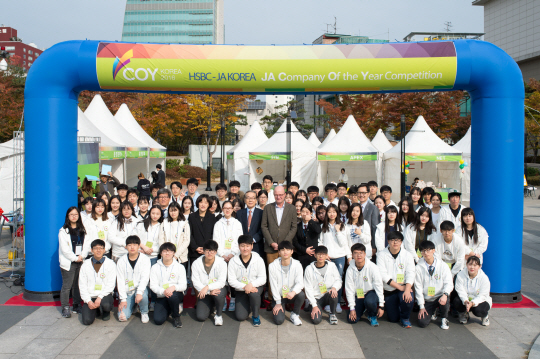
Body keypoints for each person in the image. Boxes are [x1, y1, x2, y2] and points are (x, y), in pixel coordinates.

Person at [261, 185, 298, 301]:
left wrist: (284, 244)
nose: (278, 197)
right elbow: (264, 226)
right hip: (271, 247)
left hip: (286, 248)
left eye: (281, 195)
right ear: (273, 195)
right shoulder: (268, 208)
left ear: (285, 195)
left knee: (286, 275)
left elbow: (293, 227)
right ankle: (273, 300)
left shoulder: (291, 208)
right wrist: (271, 242)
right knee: (273, 275)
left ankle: (286, 300)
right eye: (276, 194)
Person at [377, 231, 415, 328]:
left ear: (401, 242)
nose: (395, 243)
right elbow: (383, 275)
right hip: (389, 289)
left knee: (408, 299)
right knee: (393, 319)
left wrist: (406, 289)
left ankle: (405, 318)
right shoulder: (381, 255)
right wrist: (399, 287)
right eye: (392, 240)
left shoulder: (407, 255)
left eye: (398, 240)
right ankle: (397, 306)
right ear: (388, 241)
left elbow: (410, 273)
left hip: (403, 286)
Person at [59, 207, 92, 318]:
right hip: (69, 261)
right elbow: (64, 249)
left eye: (76, 214)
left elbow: (87, 244)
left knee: (78, 284)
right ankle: (65, 307)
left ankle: (76, 304)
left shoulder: (82, 228)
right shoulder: (63, 231)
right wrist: (75, 258)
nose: (74, 216)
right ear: (68, 216)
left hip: (81, 260)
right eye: (71, 214)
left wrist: (82, 255)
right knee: (67, 285)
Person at [228, 235, 267, 326]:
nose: (245, 249)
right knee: (240, 317)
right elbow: (231, 280)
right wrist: (245, 287)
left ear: (252, 246)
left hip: (255, 287)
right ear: (238, 246)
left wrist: (251, 284)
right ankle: (249, 304)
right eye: (242, 246)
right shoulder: (233, 261)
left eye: (247, 246)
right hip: (241, 290)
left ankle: (255, 315)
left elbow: (263, 278)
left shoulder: (258, 260)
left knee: (254, 294)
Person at [415, 240, 453, 330]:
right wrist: (421, 306)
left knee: (445, 298)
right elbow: (418, 287)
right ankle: (433, 311)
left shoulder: (443, 265)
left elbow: (449, 283)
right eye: (423, 251)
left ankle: (444, 318)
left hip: (440, 296)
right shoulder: (418, 267)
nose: (426, 253)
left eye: (428, 250)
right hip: (427, 298)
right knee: (422, 323)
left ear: (433, 250)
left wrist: (445, 294)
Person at [320, 203, 350, 313]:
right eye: (329, 212)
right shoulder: (323, 226)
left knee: (338, 279)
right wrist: (324, 254)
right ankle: (328, 302)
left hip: (340, 257)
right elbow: (320, 242)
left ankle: (337, 303)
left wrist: (338, 231)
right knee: (327, 279)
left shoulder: (342, 226)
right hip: (328, 257)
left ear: (337, 213)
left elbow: (343, 243)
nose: (331, 214)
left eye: (334, 212)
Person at [345, 243, 384, 326]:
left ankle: (372, 315)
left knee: (369, 301)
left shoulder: (373, 267)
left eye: (361, 253)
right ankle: (363, 308)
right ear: (352, 255)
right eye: (356, 253)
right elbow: (349, 289)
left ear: (365, 254)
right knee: (351, 320)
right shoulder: (350, 269)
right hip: (358, 295)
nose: (359, 255)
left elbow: (379, 286)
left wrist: (381, 305)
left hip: (370, 293)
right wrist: (352, 308)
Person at [78, 239, 116, 325]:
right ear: (91, 250)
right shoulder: (85, 265)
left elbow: (111, 284)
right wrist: (88, 301)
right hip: (90, 296)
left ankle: (105, 311)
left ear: (104, 250)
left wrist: (100, 298)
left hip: (104, 295)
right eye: (95, 248)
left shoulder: (110, 264)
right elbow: (82, 285)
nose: (98, 250)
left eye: (101, 248)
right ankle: (96, 310)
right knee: (87, 321)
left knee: (106, 305)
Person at [149, 242, 187, 328]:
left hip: (176, 293)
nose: (167, 253)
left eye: (170, 251)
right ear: (161, 253)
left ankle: (176, 316)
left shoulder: (180, 267)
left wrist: (174, 287)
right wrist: (163, 291)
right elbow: (153, 285)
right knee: (158, 320)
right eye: (165, 251)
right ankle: (172, 308)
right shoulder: (155, 267)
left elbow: (183, 285)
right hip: (162, 295)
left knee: (173, 296)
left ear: (174, 253)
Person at [214, 201, 243, 311]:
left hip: (233, 255)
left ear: (232, 210)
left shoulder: (237, 223)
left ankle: (233, 300)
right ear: (222, 209)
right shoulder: (218, 224)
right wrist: (222, 254)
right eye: (225, 208)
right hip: (221, 256)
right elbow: (216, 240)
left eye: (229, 208)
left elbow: (239, 240)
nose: (227, 210)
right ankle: (223, 300)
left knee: (233, 278)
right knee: (222, 279)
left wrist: (232, 254)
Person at [191, 240, 228, 325]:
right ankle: (212, 305)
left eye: (212, 251)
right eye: (207, 250)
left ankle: (218, 315)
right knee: (201, 317)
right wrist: (208, 292)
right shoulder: (196, 263)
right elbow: (195, 282)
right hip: (204, 292)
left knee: (219, 294)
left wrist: (207, 287)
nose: (210, 253)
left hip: (216, 289)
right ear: (203, 251)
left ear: (216, 252)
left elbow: (222, 282)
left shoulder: (221, 263)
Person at [268, 241, 305, 326]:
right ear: (279, 252)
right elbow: (273, 286)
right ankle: (279, 307)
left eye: (288, 250)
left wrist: (293, 292)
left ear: (292, 251)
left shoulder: (297, 264)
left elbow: (300, 283)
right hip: (279, 296)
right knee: (279, 321)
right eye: (282, 250)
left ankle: (295, 315)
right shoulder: (273, 266)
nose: (285, 252)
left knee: (301, 295)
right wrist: (278, 303)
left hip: (291, 295)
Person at [116, 235, 151, 323]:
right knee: (122, 317)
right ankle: (133, 306)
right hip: (128, 291)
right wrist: (123, 300)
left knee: (142, 296)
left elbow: (145, 278)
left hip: (140, 289)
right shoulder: (121, 261)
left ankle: (144, 311)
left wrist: (139, 293)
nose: (132, 247)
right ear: (126, 246)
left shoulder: (145, 259)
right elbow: (120, 281)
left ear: (139, 246)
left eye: (135, 244)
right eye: (129, 245)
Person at [304, 246, 342, 325]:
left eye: (323, 254)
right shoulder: (309, 269)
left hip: (327, 295)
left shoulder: (332, 266)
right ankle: (312, 307)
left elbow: (338, 280)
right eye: (318, 254)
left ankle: (332, 314)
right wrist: (314, 306)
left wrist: (334, 287)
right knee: (316, 321)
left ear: (326, 255)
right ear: (315, 255)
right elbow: (308, 289)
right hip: (316, 298)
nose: (321, 256)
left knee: (334, 293)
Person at [453, 256, 492, 326]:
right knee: (456, 301)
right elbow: (460, 290)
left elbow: (483, 295)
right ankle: (464, 314)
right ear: (466, 264)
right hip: (466, 299)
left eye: (475, 265)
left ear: (479, 266)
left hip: (480, 300)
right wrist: (465, 301)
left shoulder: (484, 278)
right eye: (470, 264)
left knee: (478, 311)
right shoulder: (460, 275)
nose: (472, 267)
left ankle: (485, 316)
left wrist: (473, 303)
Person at [159, 202, 190, 269]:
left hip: (181, 256)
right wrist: (166, 253)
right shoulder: (165, 222)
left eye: (175, 210)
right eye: (171, 211)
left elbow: (186, 241)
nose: (173, 213)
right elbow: (161, 239)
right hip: (166, 256)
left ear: (179, 210)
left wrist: (176, 255)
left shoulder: (184, 223)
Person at [188, 194, 218, 264]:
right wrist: (195, 247)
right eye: (201, 202)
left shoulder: (212, 217)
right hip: (195, 252)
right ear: (197, 203)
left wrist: (206, 248)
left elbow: (212, 234)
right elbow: (189, 234)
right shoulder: (191, 216)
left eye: (206, 203)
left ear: (208, 205)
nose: (203, 205)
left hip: (208, 251)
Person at [294, 204, 321, 269]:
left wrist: (310, 221)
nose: (305, 214)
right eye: (303, 211)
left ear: (311, 213)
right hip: (301, 255)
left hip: (313, 255)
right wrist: (305, 250)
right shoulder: (297, 226)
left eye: (307, 212)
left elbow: (318, 231)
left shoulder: (315, 223)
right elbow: (295, 242)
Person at [237, 191, 264, 256]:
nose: (250, 200)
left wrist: (252, 240)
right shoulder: (239, 213)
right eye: (248, 198)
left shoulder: (262, 213)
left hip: (257, 245)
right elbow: (237, 229)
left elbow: (263, 229)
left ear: (256, 200)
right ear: (245, 200)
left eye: (253, 198)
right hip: (242, 246)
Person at [356, 184, 378, 259]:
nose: (361, 195)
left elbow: (374, 228)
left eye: (364, 193)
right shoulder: (354, 207)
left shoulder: (373, 208)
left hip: (367, 245)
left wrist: (374, 246)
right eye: (359, 193)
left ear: (368, 194)